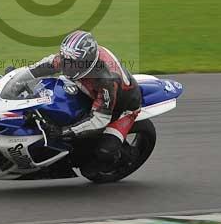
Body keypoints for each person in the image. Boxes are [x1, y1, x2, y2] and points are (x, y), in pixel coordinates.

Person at [25, 30, 142, 172]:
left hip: (122, 108)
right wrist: (18, 76)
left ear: (87, 62)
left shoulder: (107, 80)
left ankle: (126, 157)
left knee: (104, 152)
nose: (66, 66)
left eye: (72, 63)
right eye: (65, 60)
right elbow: (42, 66)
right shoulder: (74, 57)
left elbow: (100, 120)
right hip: (90, 90)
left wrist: (62, 132)